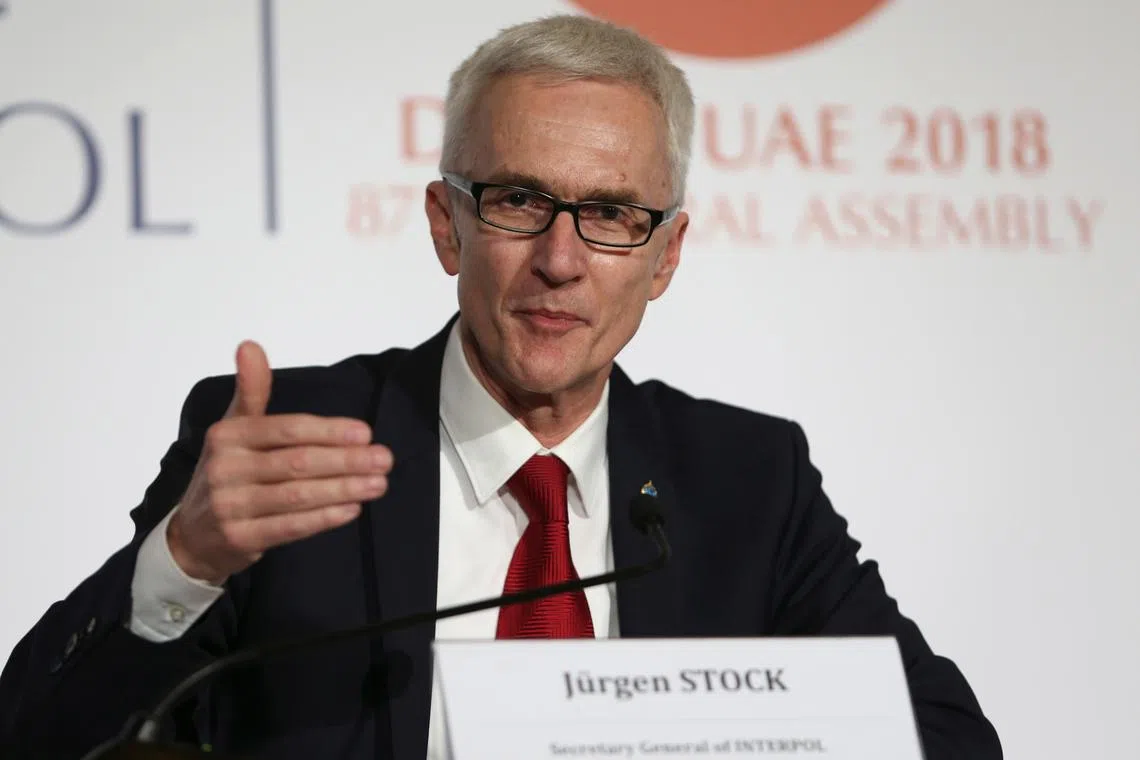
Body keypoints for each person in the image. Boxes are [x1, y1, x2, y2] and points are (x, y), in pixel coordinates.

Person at [0, 14, 1002, 760]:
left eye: (612, 214)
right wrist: (182, 563)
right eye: (521, 200)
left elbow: (949, 739)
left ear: (666, 256)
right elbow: (42, 739)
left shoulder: (747, 481)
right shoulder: (287, 446)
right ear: (448, 223)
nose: (562, 260)